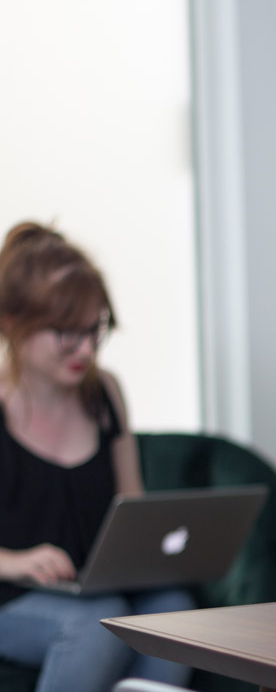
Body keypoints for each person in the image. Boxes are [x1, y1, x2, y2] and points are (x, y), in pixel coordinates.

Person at [0, 222, 193, 692]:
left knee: (177, 611)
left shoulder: (104, 392)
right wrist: (18, 561)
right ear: (12, 322)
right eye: (67, 333)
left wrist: (150, 549)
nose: (85, 350)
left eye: (95, 329)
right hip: (11, 594)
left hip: (92, 584)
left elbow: (132, 503)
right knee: (92, 627)